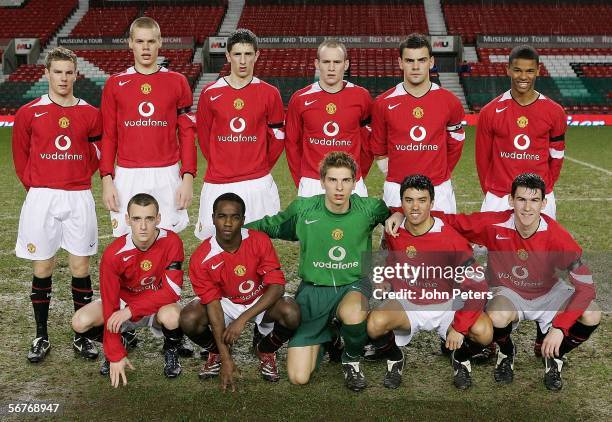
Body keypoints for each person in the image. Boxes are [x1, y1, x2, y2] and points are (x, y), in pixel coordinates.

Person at [386, 173, 601, 391]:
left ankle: (555, 356)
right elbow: (447, 220)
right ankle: (506, 352)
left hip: (548, 292)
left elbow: (586, 287)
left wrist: (560, 328)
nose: (527, 208)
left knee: (591, 313)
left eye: (534, 200)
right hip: (508, 293)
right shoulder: (494, 224)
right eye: (521, 200)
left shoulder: (558, 236)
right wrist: (398, 214)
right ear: (510, 200)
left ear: (544, 203)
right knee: (496, 314)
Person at [247, 151, 389, 392]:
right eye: (333, 180)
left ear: (355, 183)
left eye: (345, 180)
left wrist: (394, 216)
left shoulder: (371, 208)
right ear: (322, 181)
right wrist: (233, 231)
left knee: (353, 313)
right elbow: (270, 225)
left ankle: (351, 361)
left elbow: (397, 224)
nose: (339, 187)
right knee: (298, 377)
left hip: (353, 285)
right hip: (313, 292)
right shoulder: (304, 210)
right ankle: (330, 334)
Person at [12, 46, 102, 363]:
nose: (63, 78)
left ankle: (82, 337)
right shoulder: (29, 113)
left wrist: (74, 176)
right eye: (57, 72)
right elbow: (21, 157)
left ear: (76, 75)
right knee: (43, 267)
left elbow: (97, 155)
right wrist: (38, 185)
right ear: (46, 74)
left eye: (69, 72)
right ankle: (41, 336)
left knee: (80, 267)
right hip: (42, 197)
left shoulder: (91, 113)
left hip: (78, 196)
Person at [367, 175, 492, 390]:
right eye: (409, 200)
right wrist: (386, 279)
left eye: (422, 200)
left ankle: (460, 358)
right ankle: (395, 358)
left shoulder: (450, 239)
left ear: (432, 204)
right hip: (408, 303)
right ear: (401, 202)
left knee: (484, 332)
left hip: (447, 305)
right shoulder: (395, 230)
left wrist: (460, 329)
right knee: (374, 324)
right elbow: (390, 257)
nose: (415, 207)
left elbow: (478, 286)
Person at [180, 193, 300, 390]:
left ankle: (265, 350)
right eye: (222, 216)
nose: (228, 223)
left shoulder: (258, 240)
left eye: (235, 217)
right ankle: (217, 353)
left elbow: (277, 287)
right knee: (189, 318)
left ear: (243, 220)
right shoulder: (201, 257)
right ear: (213, 218)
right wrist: (227, 359)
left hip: (260, 300)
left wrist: (241, 320)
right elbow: (213, 305)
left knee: (292, 312)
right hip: (225, 303)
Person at [71, 193, 186, 387]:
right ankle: (120, 342)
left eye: (149, 219)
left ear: (158, 219)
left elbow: (172, 291)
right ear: (127, 220)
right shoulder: (113, 254)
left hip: (156, 304)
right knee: (80, 322)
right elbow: (109, 304)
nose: (143, 226)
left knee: (173, 315)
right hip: (122, 305)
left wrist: (131, 310)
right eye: (136, 219)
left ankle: (171, 351)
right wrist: (114, 352)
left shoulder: (172, 241)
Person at [100, 17, 196, 237]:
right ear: (130, 43)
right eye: (140, 41)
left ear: (160, 42)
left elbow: (187, 134)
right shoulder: (115, 84)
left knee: (167, 240)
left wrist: (187, 177)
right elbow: (108, 135)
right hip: (127, 173)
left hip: (167, 172)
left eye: (151, 41)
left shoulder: (177, 81)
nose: (145, 47)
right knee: (129, 241)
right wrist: (107, 179)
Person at [195, 28, 285, 238]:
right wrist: (222, 163)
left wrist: (260, 166)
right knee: (218, 243)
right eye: (237, 54)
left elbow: (277, 139)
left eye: (248, 54)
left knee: (259, 242)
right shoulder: (210, 93)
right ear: (228, 56)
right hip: (219, 181)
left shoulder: (270, 93)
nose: (242, 61)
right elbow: (205, 139)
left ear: (257, 55)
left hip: (257, 182)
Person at [370, 33, 465, 213]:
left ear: (431, 62)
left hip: (438, 188)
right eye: (409, 60)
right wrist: (396, 174)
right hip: (396, 188)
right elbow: (379, 148)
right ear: (400, 63)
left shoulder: (449, 101)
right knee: (395, 240)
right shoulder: (383, 102)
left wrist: (440, 172)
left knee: (442, 239)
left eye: (421, 60)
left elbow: (456, 142)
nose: (415, 67)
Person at [475, 45, 566, 219]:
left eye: (530, 71)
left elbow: (557, 155)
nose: (523, 77)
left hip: (539, 195)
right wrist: (492, 190)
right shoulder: (490, 111)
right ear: (508, 69)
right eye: (517, 70)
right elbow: (482, 159)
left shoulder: (555, 112)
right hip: (499, 196)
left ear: (538, 71)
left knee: (540, 246)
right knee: (493, 246)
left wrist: (544, 187)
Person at [285, 39, 373, 197]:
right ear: (317, 64)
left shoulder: (362, 96)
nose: (331, 68)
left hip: (350, 181)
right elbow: (292, 144)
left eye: (337, 62)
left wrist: (356, 176)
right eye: (326, 62)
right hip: (312, 182)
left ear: (345, 65)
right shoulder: (299, 99)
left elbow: (368, 144)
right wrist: (302, 180)